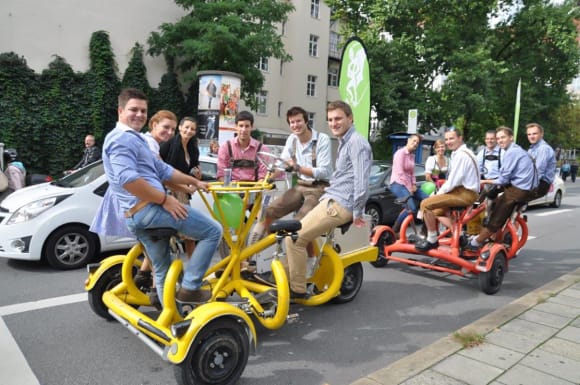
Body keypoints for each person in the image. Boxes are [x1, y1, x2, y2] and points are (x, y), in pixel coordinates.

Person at [102, 88, 222, 306]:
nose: (139, 114)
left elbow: (163, 169)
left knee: (162, 268)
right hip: (149, 210)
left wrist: (195, 182)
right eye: (133, 110)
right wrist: (165, 200)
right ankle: (190, 288)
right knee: (213, 232)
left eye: (143, 110)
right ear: (120, 111)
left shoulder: (135, 139)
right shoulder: (121, 139)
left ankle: (168, 315)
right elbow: (127, 179)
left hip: (137, 214)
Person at [284, 101, 372, 298]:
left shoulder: (357, 143)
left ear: (350, 118)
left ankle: (297, 290)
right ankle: (305, 273)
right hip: (332, 198)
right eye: (330, 120)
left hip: (341, 204)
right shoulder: (345, 142)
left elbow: (362, 183)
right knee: (291, 230)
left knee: (293, 239)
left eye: (338, 118)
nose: (334, 123)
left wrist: (357, 213)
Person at [248, 106, 332, 245]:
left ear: (306, 121)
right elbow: (282, 163)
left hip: (319, 187)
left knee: (299, 223)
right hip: (301, 184)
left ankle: (309, 259)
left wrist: (298, 167)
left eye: (298, 121)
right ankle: (268, 249)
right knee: (270, 211)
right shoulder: (292, 139)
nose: (295, 125)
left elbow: (324, 171)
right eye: (292, 122)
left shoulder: (322, 139)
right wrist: (267, 178)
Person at [466, 126, 538, 251]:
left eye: (502, 137)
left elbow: (503, 179)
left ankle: (475, 243)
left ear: (511, 138)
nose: (500, 140)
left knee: (497, 216)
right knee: (490, 198)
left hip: (518, 190)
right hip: (522, 187)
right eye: (498, 138)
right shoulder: (515, 150)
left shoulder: (510, 152)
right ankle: (490, 234)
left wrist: (483, 181)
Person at [415, 128, 480, 252]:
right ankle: (459, 235)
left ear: (460, 138)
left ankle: (432, 240)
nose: (448, 142)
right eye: (446, 139)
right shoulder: (461, 153)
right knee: (436, 211)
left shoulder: (461, 155)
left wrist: (437, 195)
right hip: (461, 190)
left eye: (452, 138)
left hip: (464, 192)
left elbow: (453, 181)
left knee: (425, 204)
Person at [160, 116, 202, 260]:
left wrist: (197, 174)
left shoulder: (193, 149)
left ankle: (193, 267)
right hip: (167, 191)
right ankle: (151, 272)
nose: (189, 131)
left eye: (192, 129)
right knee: (165, 232)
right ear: (180, 127)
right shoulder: (169, 143)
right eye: (186, 127)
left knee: (190, 232)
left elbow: (195, 172)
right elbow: (160, 171)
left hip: (183, 192)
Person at [389, 134, 428, 233]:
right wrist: (409, 188)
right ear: (408, 140)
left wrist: (414, 184)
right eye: (414, 141)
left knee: (428, 200)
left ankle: (425, 229)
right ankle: (395, 230)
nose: (415, 144)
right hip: (398, 184)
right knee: (411, 207)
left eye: (417, 143)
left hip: (409, 185)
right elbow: (400, 173)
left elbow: (411, 173)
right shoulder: (400, 153)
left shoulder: (411, 156)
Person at [216, 110, 269, 182]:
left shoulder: (262, 149)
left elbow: (263, 175)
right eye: (241, 126)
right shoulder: (226, 147)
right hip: (231, 190)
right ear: (236, 127)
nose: (243, 130)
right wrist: (231, 189)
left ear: (252, 127)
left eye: (247, 126)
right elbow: (221, 174)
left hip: (254, 190)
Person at [526, 123, 556, 199]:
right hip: (534, 181)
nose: (531, 136)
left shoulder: (543, 149)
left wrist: (525, 182)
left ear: (541, 134)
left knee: (507, 200)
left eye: (534, 134)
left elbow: (538, 170)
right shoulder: (531, 149)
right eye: (529, 134)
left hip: (541, 184)